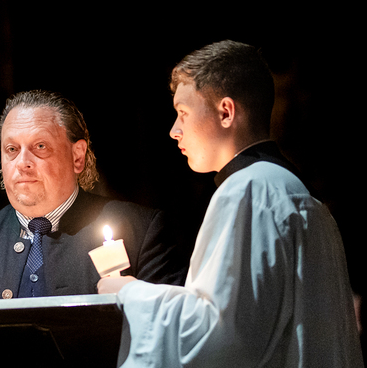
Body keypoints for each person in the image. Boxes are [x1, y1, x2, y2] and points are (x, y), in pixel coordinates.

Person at [99, 40, 363, 367]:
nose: (174, 131)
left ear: (226, 112)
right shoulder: (293, 189)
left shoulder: (249, 191)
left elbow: (222, 336)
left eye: (183, 113)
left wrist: (128, 294)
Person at [0, 89, 186, 302]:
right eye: (12, 149)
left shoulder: (140, 231)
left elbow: (169, 331)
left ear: (77, 156)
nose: (22, 163)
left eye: (40, 146)